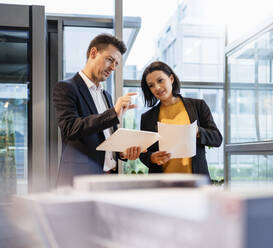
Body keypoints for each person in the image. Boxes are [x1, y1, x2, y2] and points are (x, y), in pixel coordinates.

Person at [53, 34, 142, 186]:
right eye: (110, 60)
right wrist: (114, 113)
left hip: (109, 178)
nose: (113, 67)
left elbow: (106, 138)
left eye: (116, 64)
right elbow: (71, 128)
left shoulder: (106, 95)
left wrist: (122, 152)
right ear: (93, 53)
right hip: (80, 180)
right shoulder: (66, 88)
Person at [139, 61, 222, 178]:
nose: (157, 88)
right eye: (151, 85)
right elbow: (144, 153)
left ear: (171, 78)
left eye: (160, 80)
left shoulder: (198, 106)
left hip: (195, 181)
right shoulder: (147, 117)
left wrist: (197, 131)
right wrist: (152, 158)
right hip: (162, 184)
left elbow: (217, 138)